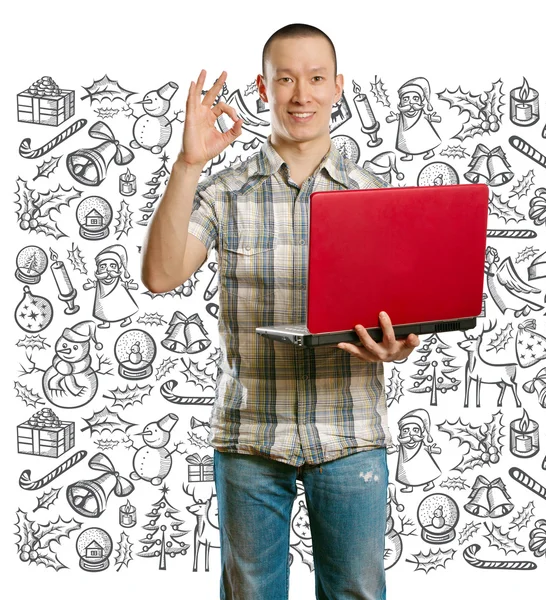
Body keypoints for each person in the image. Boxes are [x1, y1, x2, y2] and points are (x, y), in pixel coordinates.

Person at [141, 23, 420, 600]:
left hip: (350, 433)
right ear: (264, 90)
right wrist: (188, 162)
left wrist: (398, 343)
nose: (302, 94)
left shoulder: (374, 197)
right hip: (249, 436)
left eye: (316, 78)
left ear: (338, 86)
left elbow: (399, 313)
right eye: (286, 79)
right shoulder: (224, 192)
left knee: (357, 594)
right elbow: (160, 275)